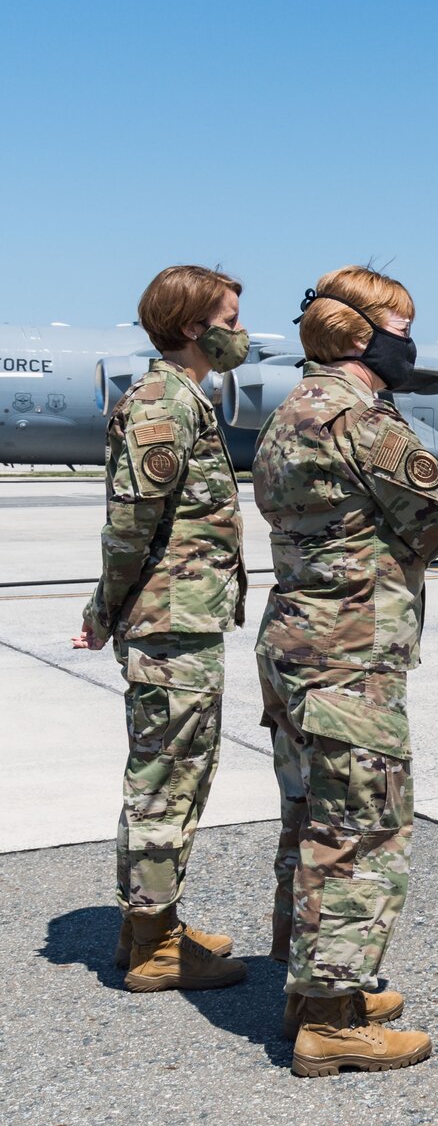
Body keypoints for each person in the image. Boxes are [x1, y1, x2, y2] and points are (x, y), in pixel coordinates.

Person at [254, 266, 438, 1075]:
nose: (409, 341)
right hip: (349, 653)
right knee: (362, 828)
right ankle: (331, 1019)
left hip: (294, 639)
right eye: (401, 325)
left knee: (312, 814)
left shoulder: (289, 412)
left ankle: (312, 983)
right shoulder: (364, 420)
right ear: (359, 335)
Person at [73, 265, 251, 994]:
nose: (241, 333)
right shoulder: (163, 403)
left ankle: (150, 923)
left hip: (185, 615)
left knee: (177, 772)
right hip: (169, 620)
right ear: (191, 328)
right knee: (165, 779)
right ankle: (153, 947)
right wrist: (101, 610)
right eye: (231, 319)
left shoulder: (185, 398)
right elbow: (129, 524)